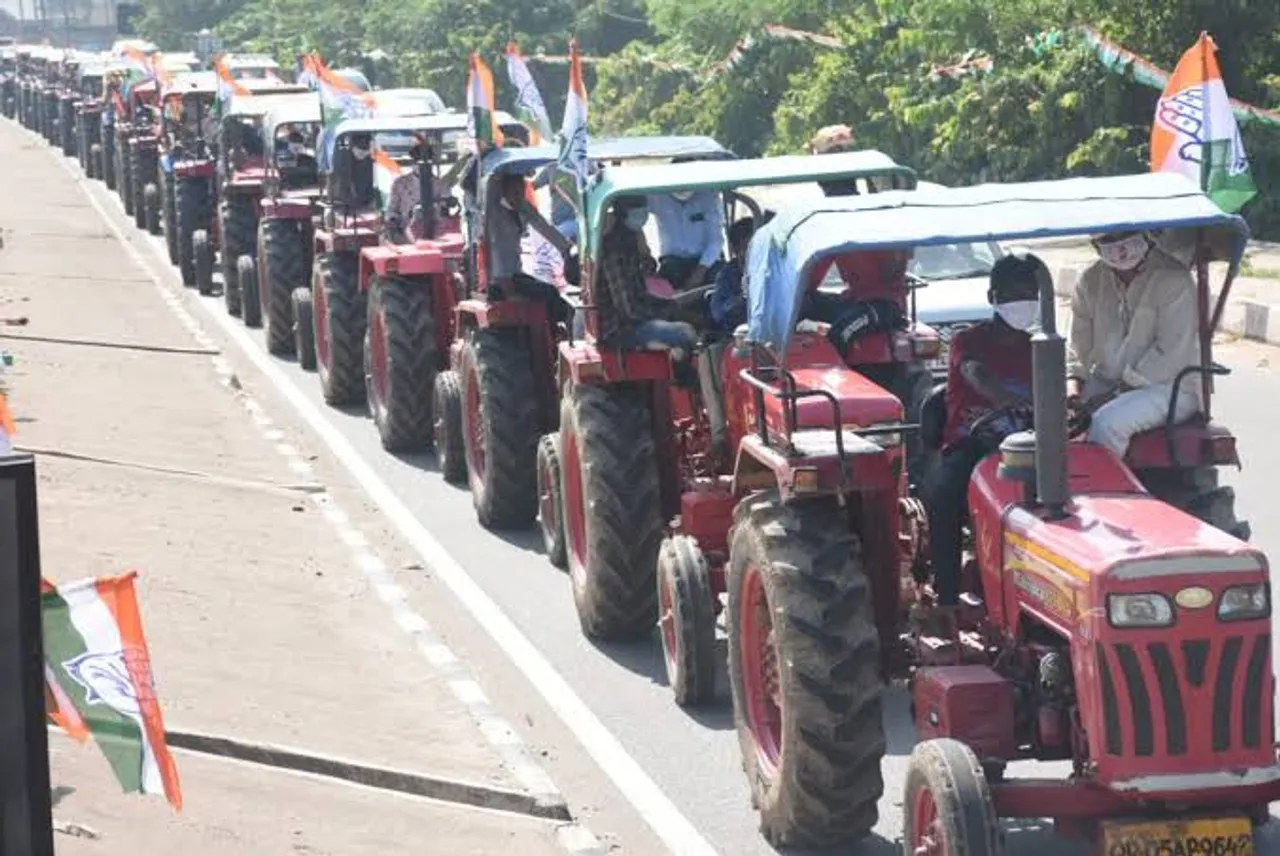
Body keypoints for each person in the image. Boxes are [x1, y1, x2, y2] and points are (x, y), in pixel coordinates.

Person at [922, 252, 1041, 625]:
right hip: (970, 443)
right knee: (942, 496)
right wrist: (1008, 400)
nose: (1023, 301)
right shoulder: (966, 340)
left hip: (1027, 446)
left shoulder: (1037, 346)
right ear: (993, 298)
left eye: (1030, 293)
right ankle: (947, 599)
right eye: (1013, 294)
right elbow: (976, 374)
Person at [1067, 230, 1200, 457]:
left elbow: (1169, 354)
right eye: (1108, 239)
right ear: (1095, 245)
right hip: (1107, 382)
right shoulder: (1089, 280)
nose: (1119, 247)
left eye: (1126, 235)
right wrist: (1072, 389)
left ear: (1148, 235)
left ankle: (1102, 489)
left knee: (1107, 424)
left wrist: (1114, 394)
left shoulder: (1174, 278)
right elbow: (1077, 347)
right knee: (1053, 419)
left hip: (1167, 387)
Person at [485, 171, 576, 329]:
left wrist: (566, 247)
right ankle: (550, 332)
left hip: (517, 275)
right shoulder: (494, 214)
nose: (518, 196)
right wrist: (497, 170)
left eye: (521, 192)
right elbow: (491, 190)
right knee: (549, 294)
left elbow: (543, 225)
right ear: (503, 191)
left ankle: (552, 334)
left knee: (559, 298)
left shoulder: (522, 207)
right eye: (514, 192)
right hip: (500, 281)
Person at [646, 176, 725, 290]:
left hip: (707, 260)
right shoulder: (657, 195)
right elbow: (638, 210)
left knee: (720, 278)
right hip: (673, 261)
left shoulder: (708, 195)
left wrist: (700, 272)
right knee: (667, 280)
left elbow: (716, 240)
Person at [709, 216, 757, 333]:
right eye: (748, 247)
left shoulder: (776, 270)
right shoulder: (727, 275)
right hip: (741, 336)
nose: (756, 253)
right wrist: (743, 298)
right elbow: (718, 312)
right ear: (736, 249)